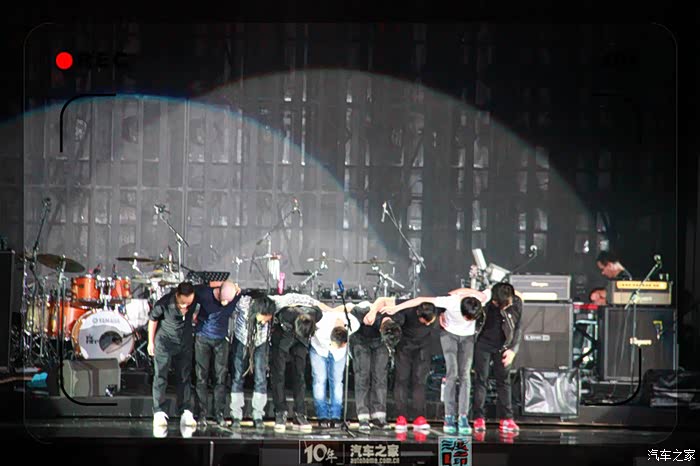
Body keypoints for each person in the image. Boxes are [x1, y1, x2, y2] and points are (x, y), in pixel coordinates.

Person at [378, 289, 488, 435]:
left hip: (440, 344)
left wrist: (471, 293)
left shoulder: (472, 302)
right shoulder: (445, 303)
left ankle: (434, 417)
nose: (429, 323)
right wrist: (396, 308)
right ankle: (405, 417)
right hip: (416, 343)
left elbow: (484, 293)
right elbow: (418, 299)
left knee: (426, 380)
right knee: (404, 378)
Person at [265, 292, 345, 432]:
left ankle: (300, 414)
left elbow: (322, 307)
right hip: (283, 333)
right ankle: (280, 412)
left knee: (300, 374)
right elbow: (266, 303)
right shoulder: (284, 312)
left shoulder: (316, 314)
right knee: (278, 374)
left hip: (303, 332)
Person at [372, 300, 438, 431]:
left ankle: (419, 417)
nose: (428, 324)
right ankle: (401, 417)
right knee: (401, 380)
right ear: (419, 315)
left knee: (420, 381)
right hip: (404, 348)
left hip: (423, 348)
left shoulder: (435, 308)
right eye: (426, 321)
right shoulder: (406, 312)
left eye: (431, 321)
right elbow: (385, 302)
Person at [471, 282, 523, 433]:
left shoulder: (516, 303)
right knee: (481, 380)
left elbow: (518, 328)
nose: (508, 305)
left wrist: (513, 350)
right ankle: (479, 418)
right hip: (483, 344)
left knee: (504, 381)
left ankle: (507, 418)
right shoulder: (486, 302)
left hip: (504, 346)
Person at [148, 282, 198, 429]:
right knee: (161, 376)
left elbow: (212, 289)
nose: (185, 306)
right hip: (165, 342)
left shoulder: (195, 298)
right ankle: (158, 412)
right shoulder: (164, 303)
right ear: (177, 295)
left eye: (189, 303)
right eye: (183, 303)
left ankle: (186, 410)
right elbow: (153, 320)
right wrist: (150, 342)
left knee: (184, 376)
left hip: (184, 343)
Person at [193, 280, 241, 428]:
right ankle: (201, 413)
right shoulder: (204, 294)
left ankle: (219, 413)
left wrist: (234, 288)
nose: (225, 303)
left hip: (221, 341)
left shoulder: (235, 295)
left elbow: (238, 289)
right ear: (218, 292)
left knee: (220, 378)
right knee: (201, 376)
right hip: (202, 338)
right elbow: (189, 290)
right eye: (223, 300)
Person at [348, 301, 403, 432]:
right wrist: (371, 312)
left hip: (381, 343)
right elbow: (352, 310)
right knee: (363, 376)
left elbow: (384, 299)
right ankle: (363, 417)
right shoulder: (364, 313)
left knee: (380, 377)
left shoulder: (398, 317)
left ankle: (379, 416)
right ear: (380, 330)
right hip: (361, 341)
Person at [228, 292, 275, 430]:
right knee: (237, 377)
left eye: (267, 320)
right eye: (263, 319)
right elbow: (227, 302)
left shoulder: (272, 305)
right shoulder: (243, 304)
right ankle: (236, 414)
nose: (264, 322)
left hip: (260, 342)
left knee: (261, 378)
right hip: (241, 341)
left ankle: (258, 415)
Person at [309, 310, 360, 428]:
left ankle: (335, 416)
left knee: (337, 382)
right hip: (319, 349)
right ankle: (322, 416)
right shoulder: (321, 326)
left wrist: (341, 347)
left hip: (339, 354)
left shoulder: (353, 323)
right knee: (319, 381)